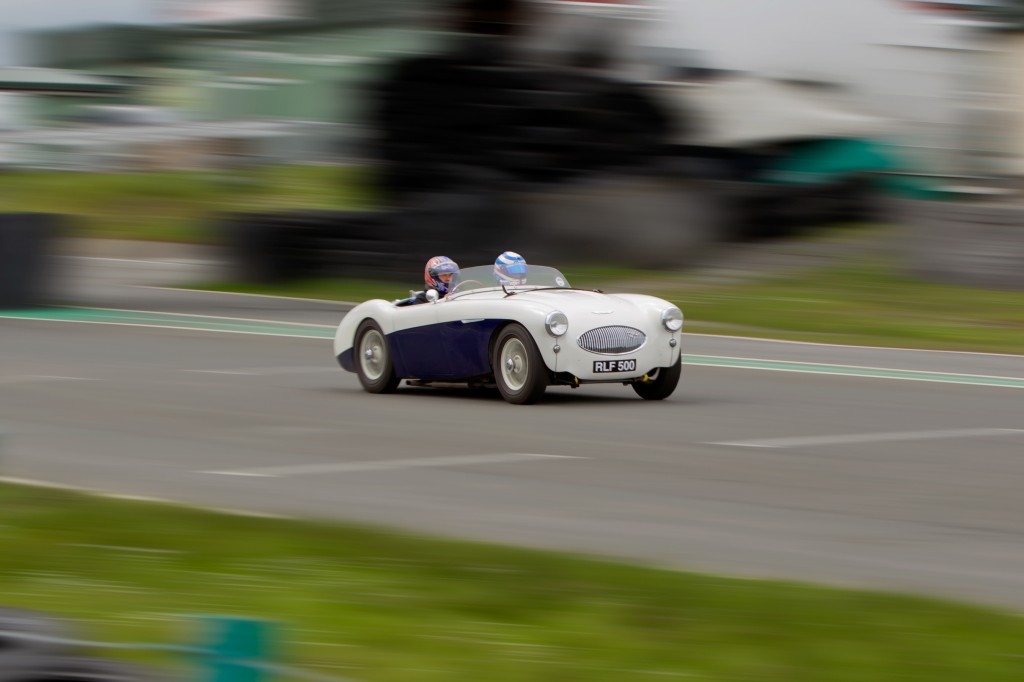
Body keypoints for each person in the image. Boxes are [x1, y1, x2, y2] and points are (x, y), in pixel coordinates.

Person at [395, 256, 459, 306]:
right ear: (433, 277)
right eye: (444, 275)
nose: (448, 278)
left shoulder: (458, 293)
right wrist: (443, 301)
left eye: (450, 275)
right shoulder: (422, 299)